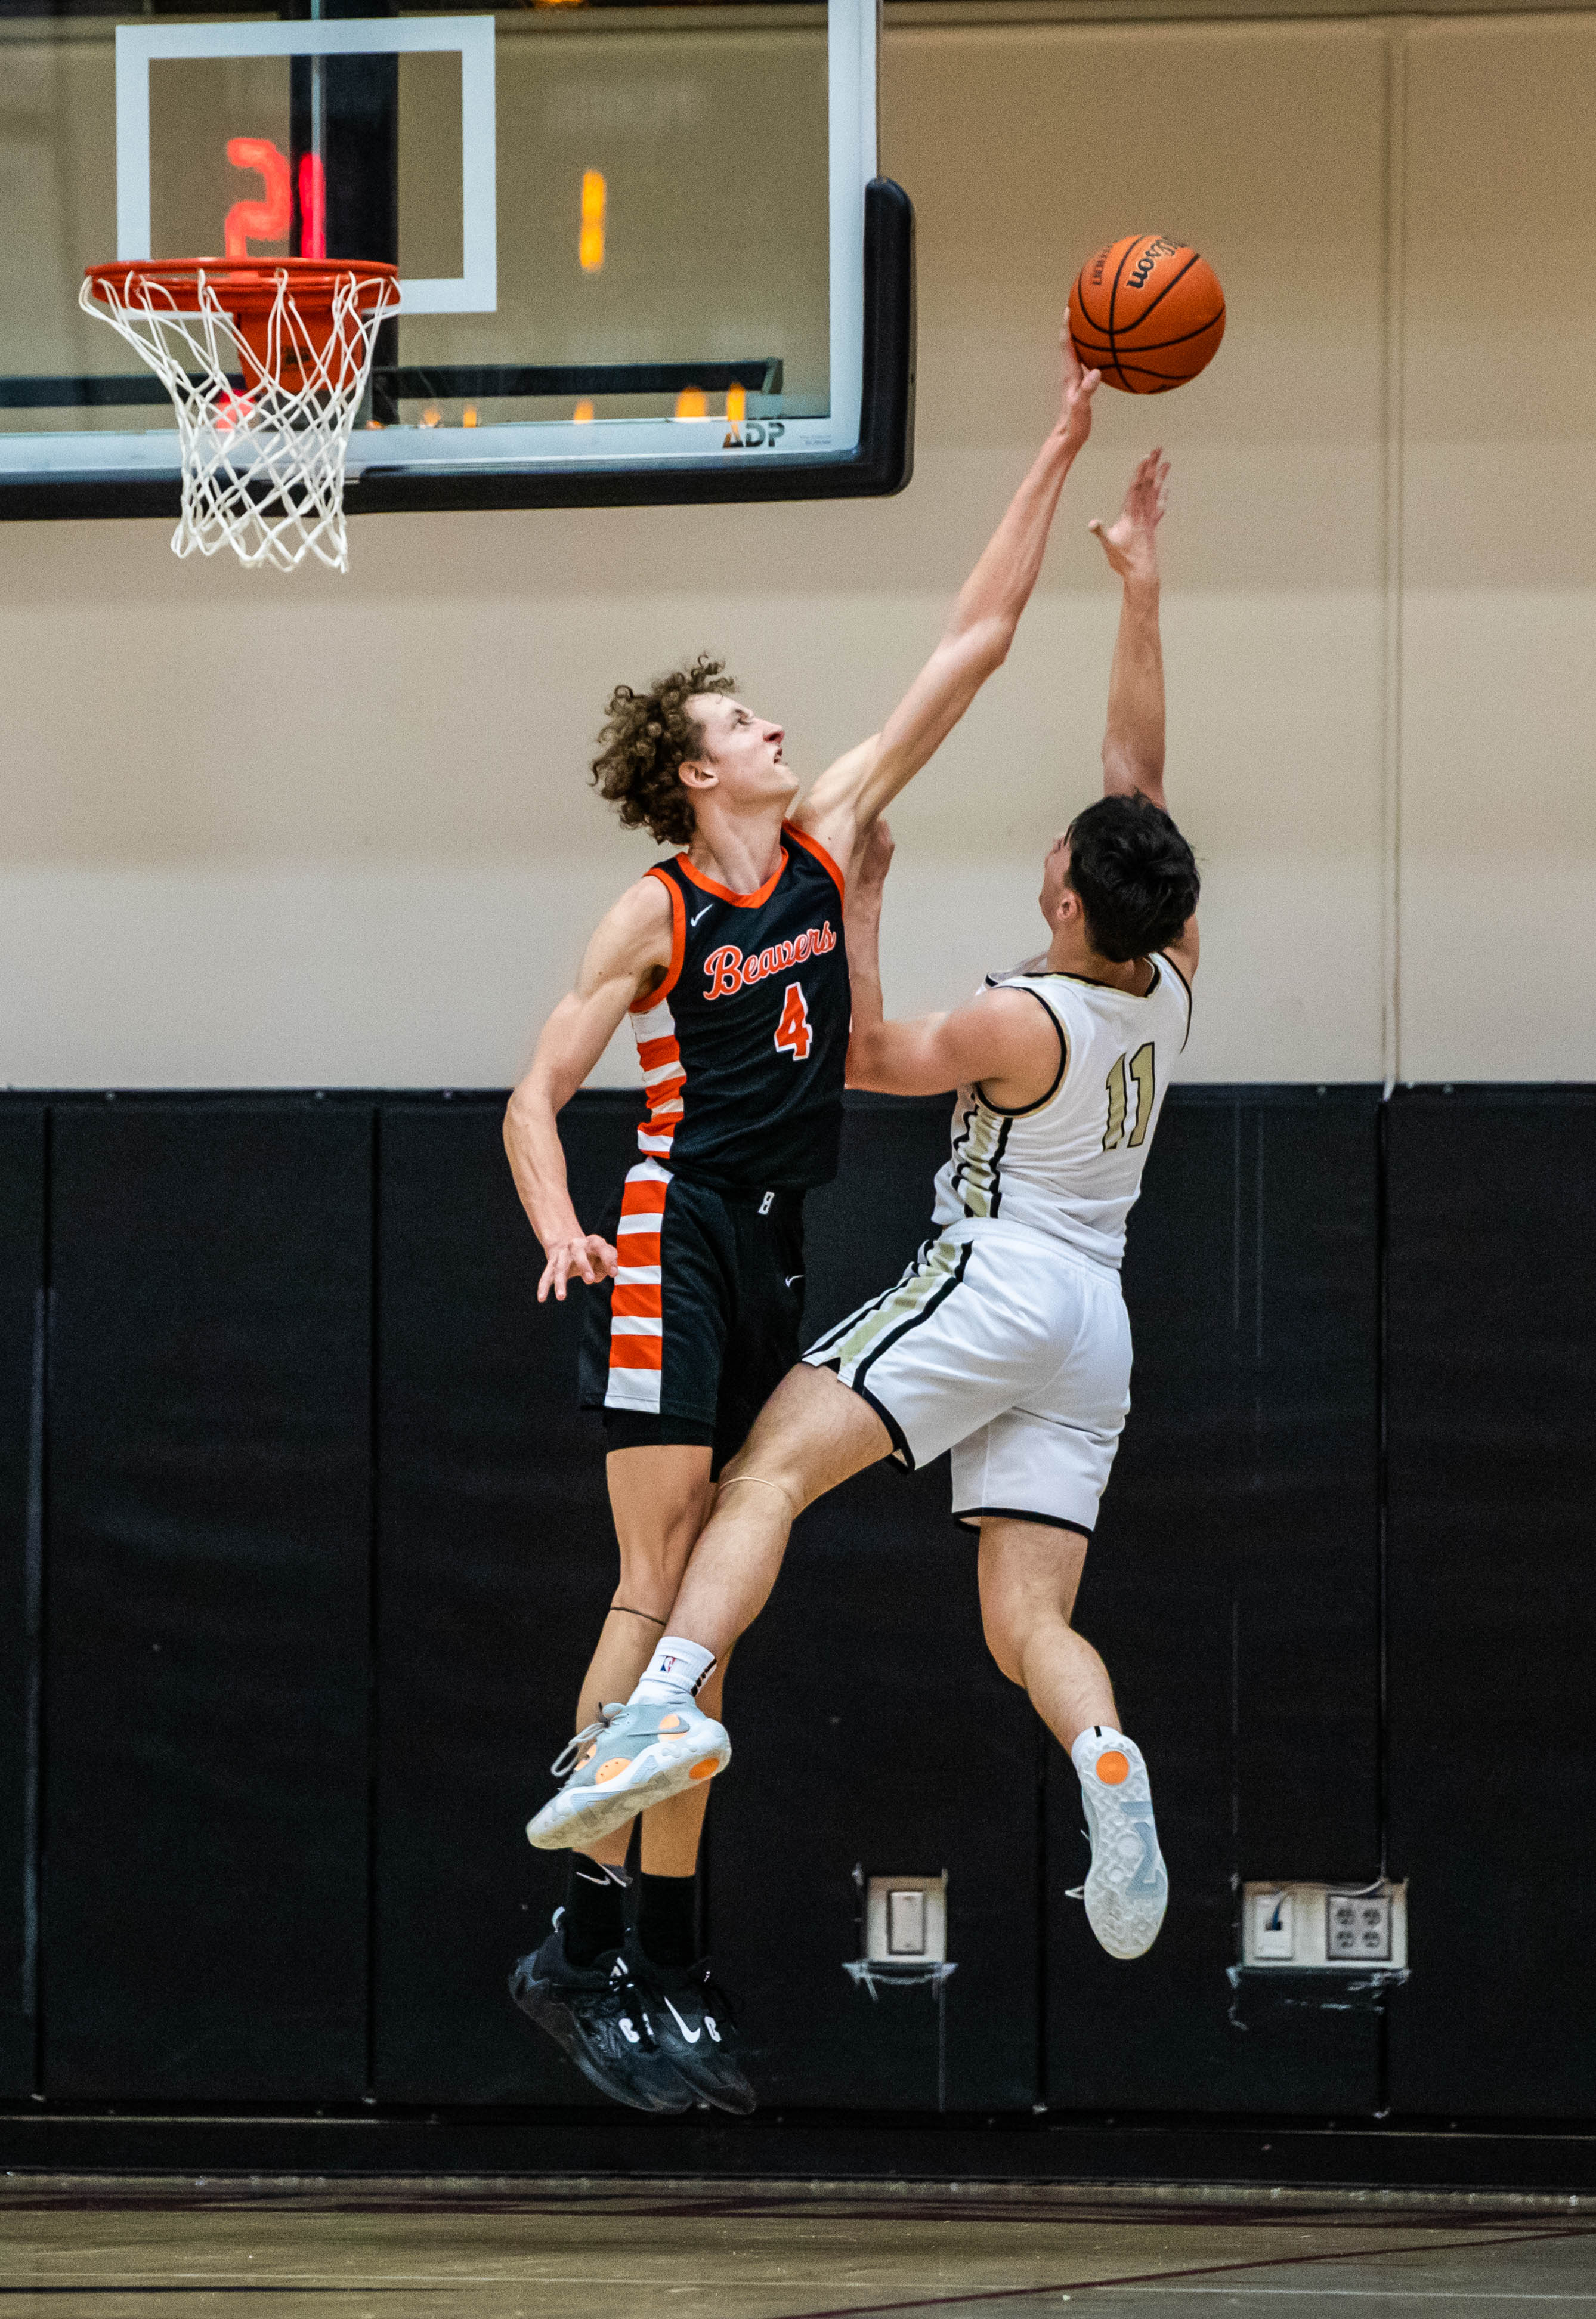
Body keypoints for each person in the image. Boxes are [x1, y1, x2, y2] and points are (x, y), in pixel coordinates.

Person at [504, 326, 1106, 2114]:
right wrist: (563, 1226)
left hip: (777, 1238)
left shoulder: (831, 837)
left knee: (718, 1610)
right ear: (698, 776)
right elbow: (532, 1092)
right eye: (737, 721)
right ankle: (580, 1926)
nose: (773, 724)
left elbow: (971, 647)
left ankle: (661, 1953)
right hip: (672, 1231)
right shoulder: (656, 907)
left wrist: (1057, 439)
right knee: (656, 1575)